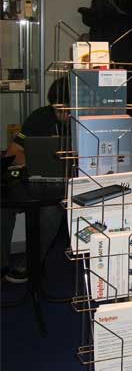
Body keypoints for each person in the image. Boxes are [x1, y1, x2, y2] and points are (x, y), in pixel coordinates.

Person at [1, 77, 69, 283]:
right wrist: (35, 164)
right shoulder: (40, 117)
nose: (64, 115)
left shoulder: (88, 121)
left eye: (68, 110)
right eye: (58, 110)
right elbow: (13, 152)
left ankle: (31, 263)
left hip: (70, 185)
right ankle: (2, 264)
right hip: (37, 180)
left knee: (50, 212)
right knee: (4, 208)